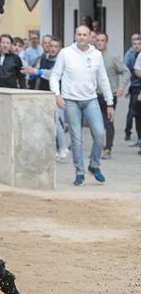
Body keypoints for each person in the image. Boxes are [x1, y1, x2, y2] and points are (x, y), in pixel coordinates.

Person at [50, 25, 114, 186]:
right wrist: (57, 94)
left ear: (90, 37)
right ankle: (79, 172)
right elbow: (55, 75)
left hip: (91, 100)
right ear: (75, 36)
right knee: (76, 139)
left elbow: (103, 80)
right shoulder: (66, 53)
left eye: (85, 35)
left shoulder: (96, 55)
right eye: (79, 34)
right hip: (71, 101)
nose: (82, 37)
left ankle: (94, 165)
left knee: (99, 133)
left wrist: (109, 102)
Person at [22, 37, 68, 161]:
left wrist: (37, 71)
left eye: (55, 46)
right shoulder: (42, 58)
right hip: (44, 94)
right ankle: (56, 149)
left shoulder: (62, 59)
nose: (52, 48)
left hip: (57, 95)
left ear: (59, 48)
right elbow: (34, 73)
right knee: (51, 123)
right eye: (49, 45)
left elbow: (53, 74)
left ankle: (62, 148)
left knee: (55, 121)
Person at [94, 32, 130, 159]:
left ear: (106, 42)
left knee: (109, 122)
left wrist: (121, 86)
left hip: (110, 96)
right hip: (94, 95)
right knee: (96, 123)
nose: (99, 42)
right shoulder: (91, 57)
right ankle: (97, 149)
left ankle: (108, 149)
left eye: (102, 40)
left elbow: (126, 72)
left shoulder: (112, 58)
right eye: (97, 40)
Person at [125, 34, 141, 143]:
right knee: (133, 112)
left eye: (139, 44)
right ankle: (128, 132)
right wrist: (126, 87)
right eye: (134, 43)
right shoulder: (129, 54)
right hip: (135, 86)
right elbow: (126, 70)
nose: (136, 46)